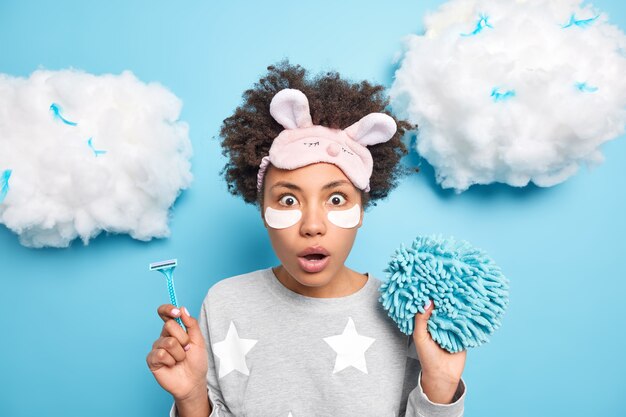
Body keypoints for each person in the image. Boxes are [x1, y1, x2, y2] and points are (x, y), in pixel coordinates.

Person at [146, 61, 467, 417]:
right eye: (288, 200)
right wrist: (191, 399)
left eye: (336, 199)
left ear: (361, 209)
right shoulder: (225, 304)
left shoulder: (405, 314)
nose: (312, 225)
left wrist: (438, 386)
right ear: (262, 211)